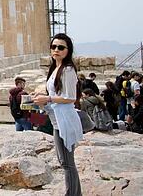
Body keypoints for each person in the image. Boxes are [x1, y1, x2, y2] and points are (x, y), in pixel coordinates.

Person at [32, 33, 82, 196]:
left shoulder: (67, 69)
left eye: (61, 47)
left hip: (65, 121)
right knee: (65, 162)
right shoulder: (55, 68)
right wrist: (41, 99)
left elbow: (70, 97)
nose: (56, 50)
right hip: (56, 120)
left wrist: (48, 98)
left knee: (67, 164)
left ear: (68, 50)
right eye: (53, 47)